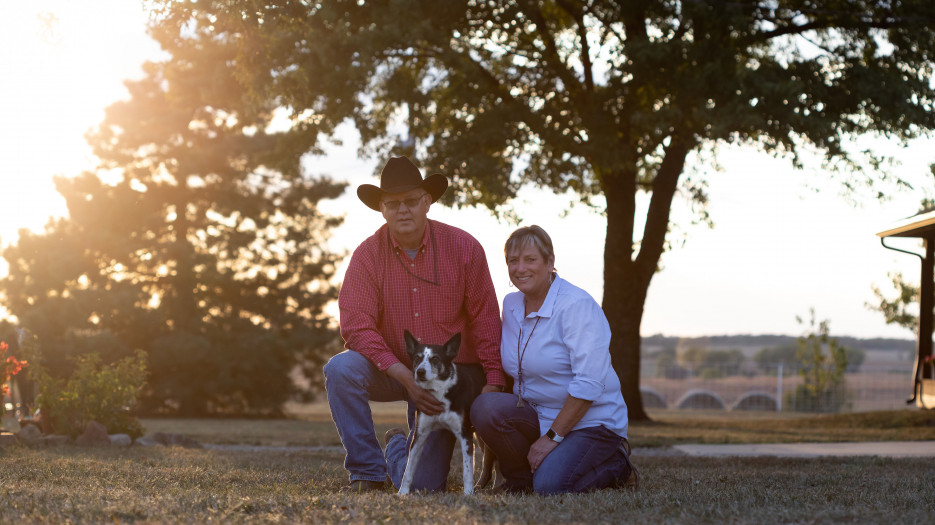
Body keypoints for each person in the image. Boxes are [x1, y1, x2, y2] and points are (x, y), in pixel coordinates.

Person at [323, 156, 505, 493]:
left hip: (449, 377)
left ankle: (397, 447)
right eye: (393, 203)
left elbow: (486, 319)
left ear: (427, 202)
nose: (402, 210)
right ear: (382, 208)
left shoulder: (465, 248)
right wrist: (405, 376)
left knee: (423, 487)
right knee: (341, 368)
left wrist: (493, 379)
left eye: (411, 201)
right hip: (393, 368)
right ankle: (367, 471)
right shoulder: (366, 256)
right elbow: (356, 325)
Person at [471, 225, 635, 494]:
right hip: (537, 413)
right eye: (513, 261)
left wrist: (550, 439)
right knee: (486, 407)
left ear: (550, 262)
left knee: (550, 486)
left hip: (592, 422)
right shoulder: (511, 304)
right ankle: (519, 480)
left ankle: (618, 465)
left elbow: (589, 384)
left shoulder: (576, 306)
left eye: (530, 259)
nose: (520, 268)